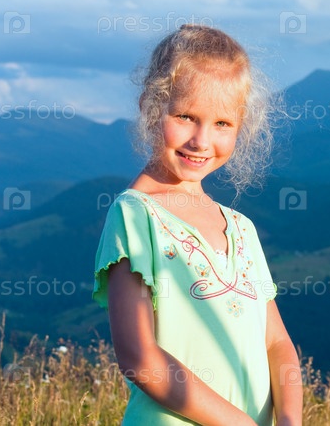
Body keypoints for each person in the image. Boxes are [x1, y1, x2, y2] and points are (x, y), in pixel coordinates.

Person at [92, 24, 302, 425]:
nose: (201, 141)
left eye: (222, 123)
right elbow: (140, 358)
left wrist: (290, 419)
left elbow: (276, 343)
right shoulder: (136, 215)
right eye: (186, 117)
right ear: (151, 107)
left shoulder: (241, 228)